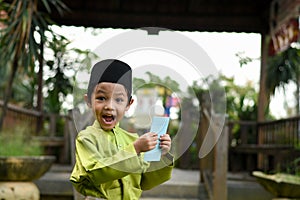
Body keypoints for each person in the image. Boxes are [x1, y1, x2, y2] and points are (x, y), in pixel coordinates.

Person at [70, 59, 173, 200]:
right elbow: (94, 174)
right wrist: (134, 150)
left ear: (128, 104)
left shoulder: (133, 140)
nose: (109, 106)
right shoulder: (87, 138)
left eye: (118, 100)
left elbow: (145, 182)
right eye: (101, 98)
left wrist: (163, 156)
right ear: (89, 101)